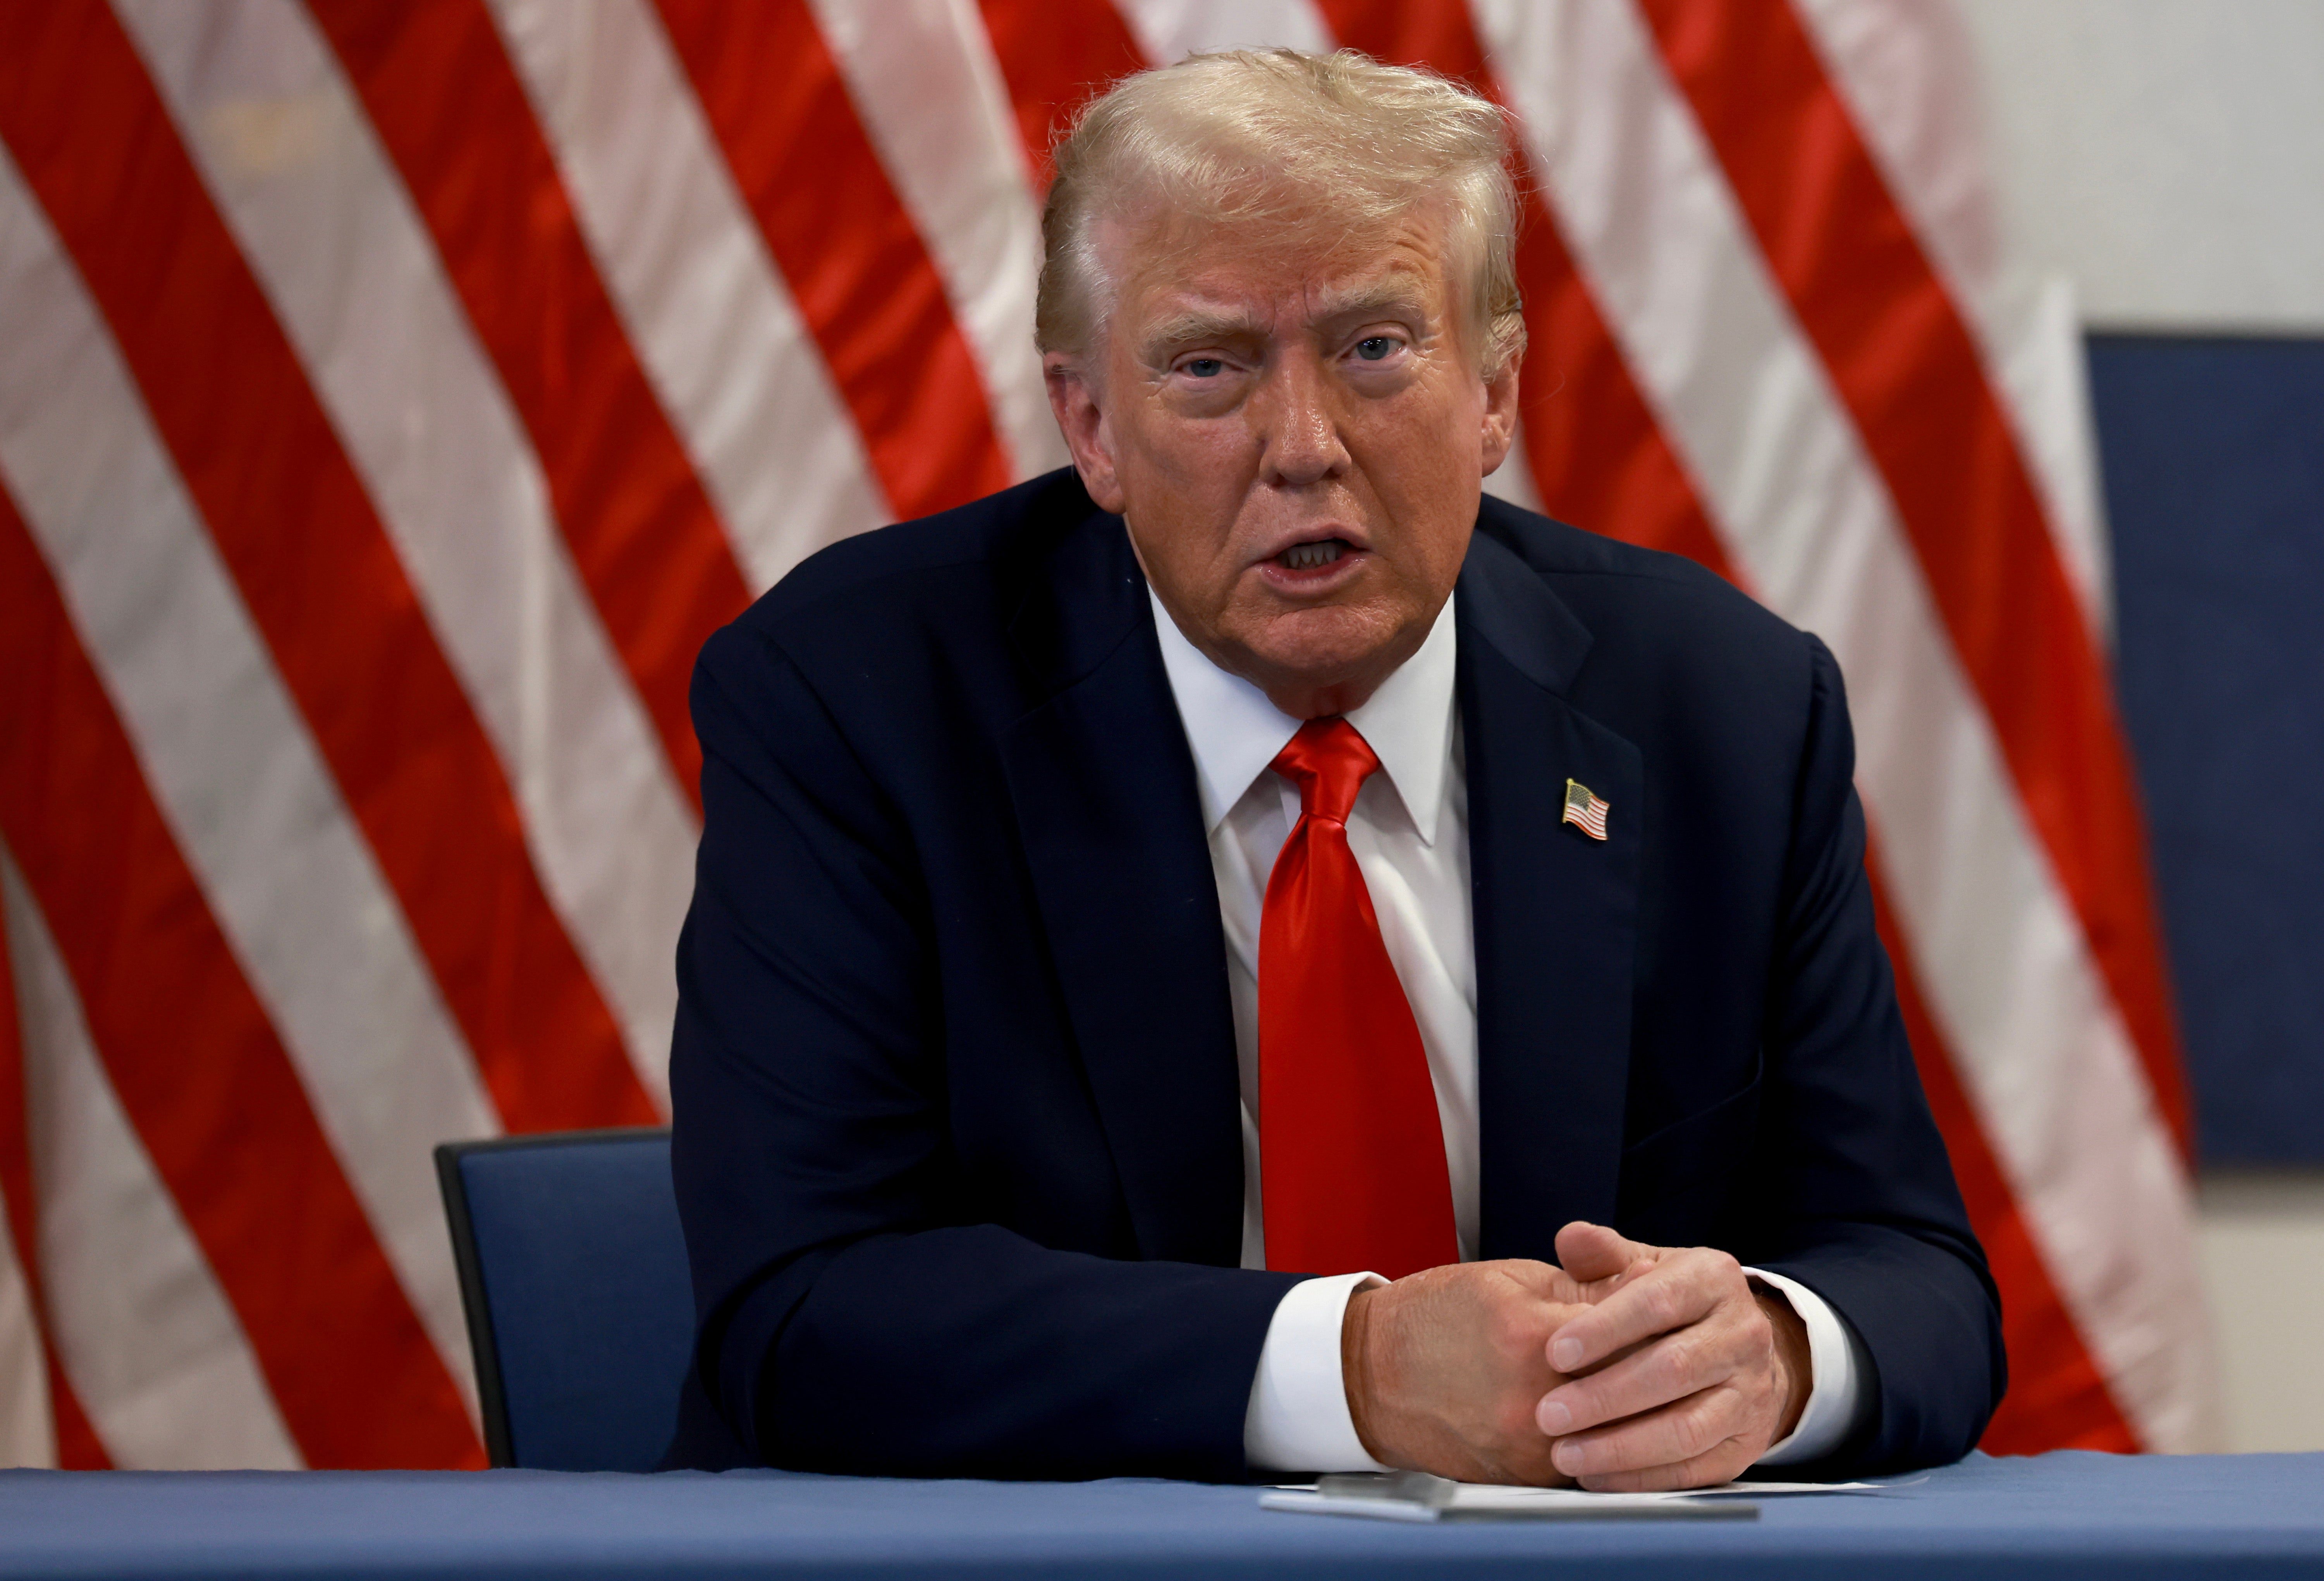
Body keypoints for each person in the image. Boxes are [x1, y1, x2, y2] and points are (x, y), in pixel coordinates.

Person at [661, 48, 2003, 1488]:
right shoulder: (860, 699)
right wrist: (1354, 1371)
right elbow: (803, 1311)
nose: (1303, 449)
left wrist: (1774, 1358)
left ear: (1494, 393)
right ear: (1090, 425)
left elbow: (1912, 1271)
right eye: (1208, 366)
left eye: (1375, 347)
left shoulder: (1721, 708)